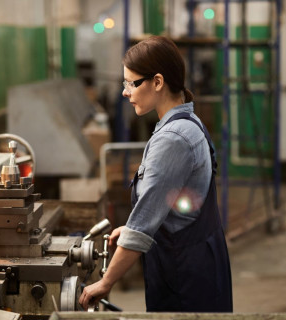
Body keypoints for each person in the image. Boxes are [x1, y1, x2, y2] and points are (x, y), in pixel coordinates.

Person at [79, 36, 233, 312]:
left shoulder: (173, 139)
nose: (125, 92)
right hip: (199, 264)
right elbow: (176, 202)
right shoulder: (188, 122)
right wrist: (138, 225)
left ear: (158, 82)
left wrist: (105, 283)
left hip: (184, 279)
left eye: (131, 83)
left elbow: (141, 231)